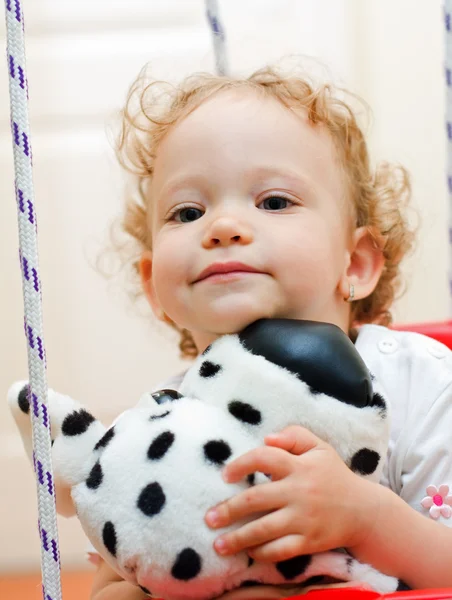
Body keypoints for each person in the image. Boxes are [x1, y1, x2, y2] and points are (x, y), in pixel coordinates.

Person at [90, 63, 452, 599]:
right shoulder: (164, 422)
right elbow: (115, 575)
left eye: (274, 202)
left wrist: (367, 519)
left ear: (354, 263)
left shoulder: (422, 385)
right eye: (188, 211)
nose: (221, 227)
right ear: (153, 284)